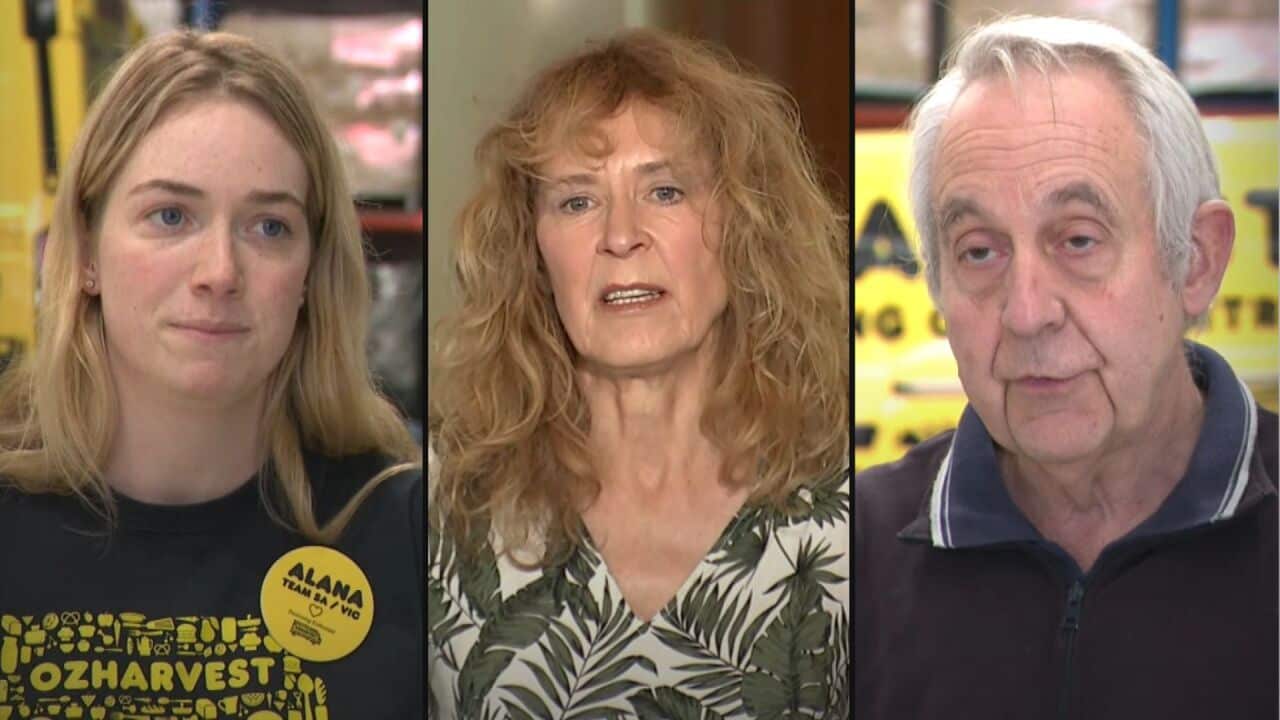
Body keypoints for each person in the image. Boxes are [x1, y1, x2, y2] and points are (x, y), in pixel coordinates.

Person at [855, 15, 1277, 719]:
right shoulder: (846, 554)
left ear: (1197, 261)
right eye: (979, 251)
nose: (1027, 312)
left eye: (1078, 240)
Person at [427, 29, 849, 718]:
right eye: (577, 201)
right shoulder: (442, 505)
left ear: (746, 230)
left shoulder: (849, 518)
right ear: (533, 253)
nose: (621, 236)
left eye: (665, 190)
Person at [0, 31, 422, 718]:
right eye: (171, 216)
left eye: (269, 227)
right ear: (87, 252)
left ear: (311, 274)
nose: (220, 272)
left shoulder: (406, 529)